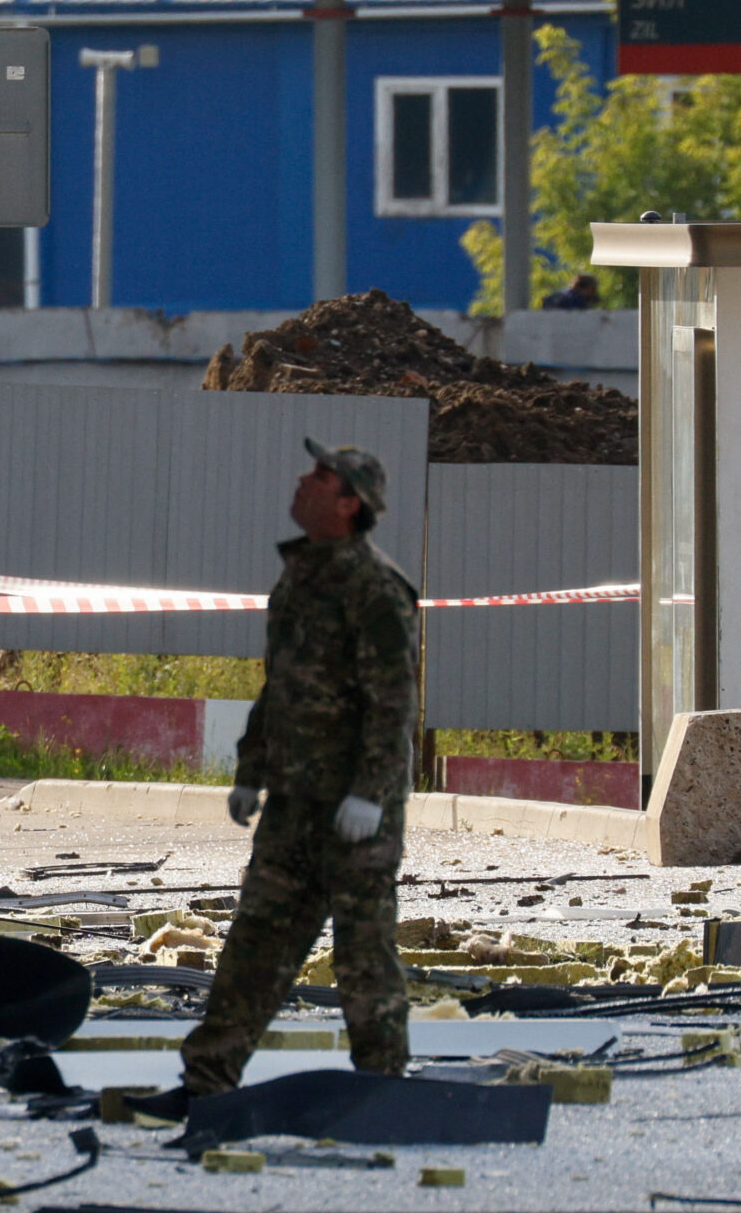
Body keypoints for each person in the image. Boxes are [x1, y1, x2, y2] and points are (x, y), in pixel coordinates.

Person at [180, 438, 420, 1095]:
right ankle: (208, 1080)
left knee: (363, 954)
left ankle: (385, 1085)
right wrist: (250, 771)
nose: (302, 480)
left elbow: (392, 704)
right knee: (256, 946)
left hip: (353, 814)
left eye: (320, 476)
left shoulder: (376, 589)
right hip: (292, 804)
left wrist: (371, 794)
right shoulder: (301, 576)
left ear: (349, 503)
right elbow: (279, 684)